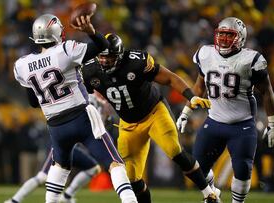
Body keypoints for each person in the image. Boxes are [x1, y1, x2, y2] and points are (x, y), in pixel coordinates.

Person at [13, 14, 137, 203]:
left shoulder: (23, 64)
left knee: (60, 167)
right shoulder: (65, 50)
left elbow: (33, 102)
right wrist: (91, 31)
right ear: (55, 33)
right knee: (114, 162)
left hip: (55, 126)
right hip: (81, 117)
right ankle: (130, 200)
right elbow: (102, 45)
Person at [82, 33, 219, 203]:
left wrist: (190, 97)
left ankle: (209, 194)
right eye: (101, 57)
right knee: (131, 178)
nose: (104, 61)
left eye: (109, 57)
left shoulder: (136, 62)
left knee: (174, 150)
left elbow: (169, 77)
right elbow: (86, 96)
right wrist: (99, 111)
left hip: (154, 112)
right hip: (128, 123)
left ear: (119, 54)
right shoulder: (89, 70)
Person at [176, 17, 274, 203]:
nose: (223, 39)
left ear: (240, 38)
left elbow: (267, 92)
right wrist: (186, 112)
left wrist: (272, 124)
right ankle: (214, 193)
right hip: (214, 121)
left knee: (242, 170)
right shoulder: (205, 54)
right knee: (197, 169)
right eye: (221, 34)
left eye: (229, 35)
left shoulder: (251, 59)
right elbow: (199, 87)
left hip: (242, 125)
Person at [4, 144, 100, 203]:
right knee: (42, 177)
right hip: (59, 146)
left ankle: (67, 196)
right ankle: (14, 200)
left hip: (73, 148)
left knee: (93, 168)